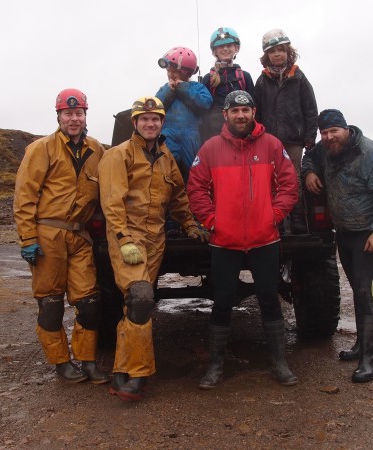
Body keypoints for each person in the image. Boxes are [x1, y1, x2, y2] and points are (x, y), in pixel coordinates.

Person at [98, 96, 209, 401]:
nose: (150, 123)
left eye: (155, 119)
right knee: (141, 297)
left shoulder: (165, 157)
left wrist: (189, 225)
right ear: (135, 123)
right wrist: (123, 240)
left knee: (135, 305)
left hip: (156, 239)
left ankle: (121, 369)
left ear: (162, 123)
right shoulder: (118, 155)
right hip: (129, 237)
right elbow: (112, 202)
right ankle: (139, 374)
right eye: (144, 119)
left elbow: (178, 197)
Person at [187, 90, 299, 389]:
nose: (240, 115)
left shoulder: (272, 145)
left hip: (265, 239)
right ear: (225, 115)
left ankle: (279, 362)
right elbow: (196, 189)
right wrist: (213, 221)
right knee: (222, 301)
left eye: (245, 110)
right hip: (225, 241)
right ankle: (215, 366)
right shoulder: (210, 149)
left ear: (253, 113)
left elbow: (289, 184)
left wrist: (274, 215)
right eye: (234, 111)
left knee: (269, 299)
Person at [13, 88, 109, 385]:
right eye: (68, 113)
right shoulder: (41, 149)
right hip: (48, 235)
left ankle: (88, 360)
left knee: (90, 303)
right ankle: (61, 363)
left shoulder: (97, 150)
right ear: (58, 116)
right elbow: (25, 196)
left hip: (80, 237)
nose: (74, 119)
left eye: (79, 113)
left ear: (85, 115)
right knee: (51, 304)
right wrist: (28, 239)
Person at [301, 109, 373, 383]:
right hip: (344, 233)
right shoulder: (325, 149)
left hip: (368, 235)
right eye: (324, 133)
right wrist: (309, 172)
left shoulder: (370, 153)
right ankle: (360, 346)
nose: (329, 137)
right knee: (357, 289)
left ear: (346, 129)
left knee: (366, 292)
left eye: (334, 131)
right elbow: (309, 157)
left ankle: (369, 360)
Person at [254, 28, 318, 234]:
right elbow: (256, 112)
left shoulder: (298, 77)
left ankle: (297, 218)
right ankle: (279, 219)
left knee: (294, 178)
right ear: (267, 55)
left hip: (294, 139)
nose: (277, 54)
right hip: (269, 140)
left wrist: (310, 136)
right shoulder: (262, 80)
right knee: (272, 179)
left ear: (288, 51)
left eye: (281, 50)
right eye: (272, 51)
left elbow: (310, 109)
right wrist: (257, 137)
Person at [155, 46, 212, 184]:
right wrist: (169, 91)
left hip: (191, 136)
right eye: (168, 71)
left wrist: (183, 88)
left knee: (193, 171)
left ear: (186, 73)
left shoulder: (196, 87)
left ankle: (192, 194)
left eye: (174, 71)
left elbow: (205, 104)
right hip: (167, 135)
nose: (170, 74)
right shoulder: (164, 88)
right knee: (165, 170)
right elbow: (156, 107)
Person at [200, 27, 255, 143]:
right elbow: (202, 110)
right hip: (215, 135)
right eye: (221, 46)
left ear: (236, 48)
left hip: (241, 135)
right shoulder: (208, 79)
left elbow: (253, 107)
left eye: (229, 45)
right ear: (214, 51)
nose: (225, 48)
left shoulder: (245, 77)